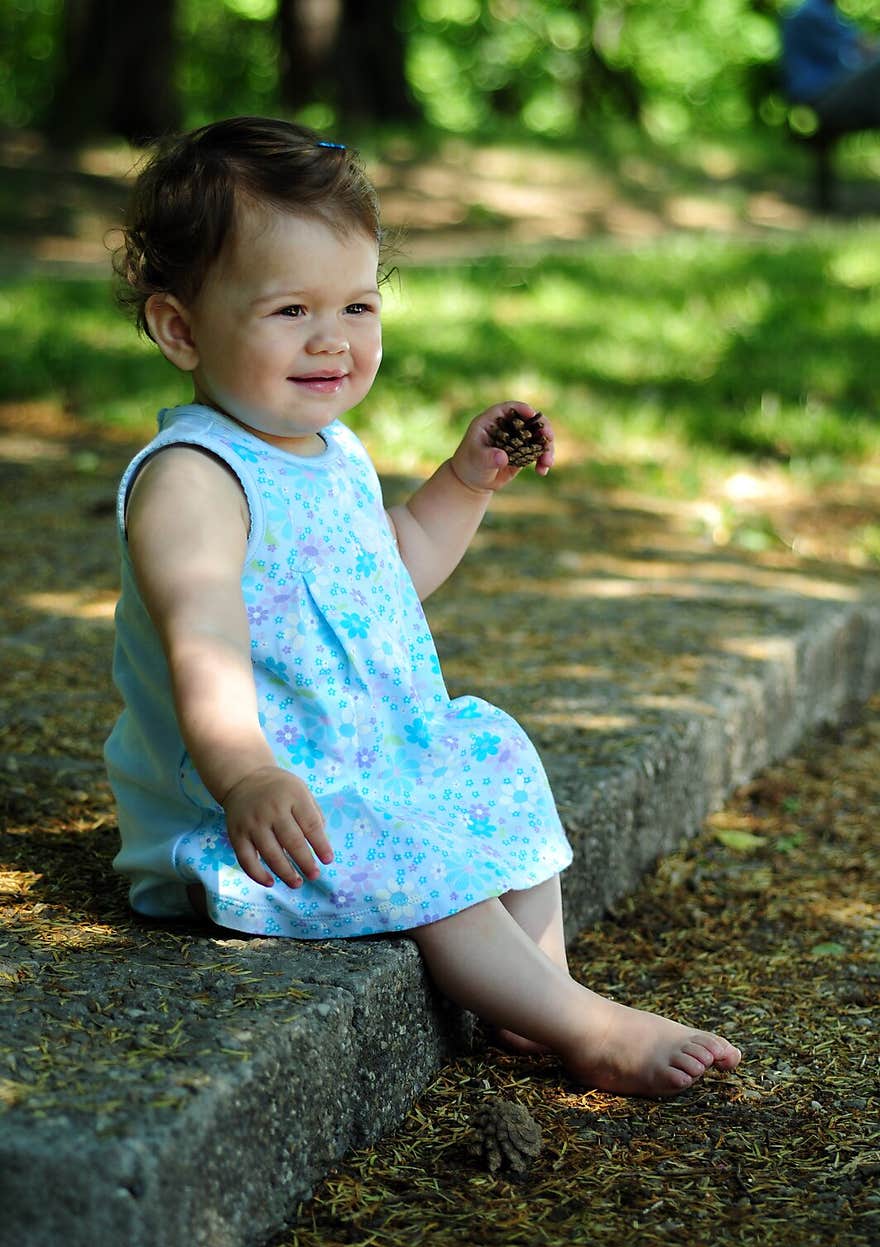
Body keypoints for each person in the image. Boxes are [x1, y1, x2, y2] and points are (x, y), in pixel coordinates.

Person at [104, 115, 741, 1098]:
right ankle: (588, 1028)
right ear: (180, 327)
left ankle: (538, 990)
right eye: (287, 312)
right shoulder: (195, 478)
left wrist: (465, 481)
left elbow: (389, 569)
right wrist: (246, 779)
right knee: (406, 844)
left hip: (369, 759)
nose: (333, 340)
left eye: (357, 306)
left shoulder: (332, 450)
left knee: (492, 755)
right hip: (265, 815)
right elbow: (205, 643)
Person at [781, 0, 880, 132]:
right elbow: (862, 45)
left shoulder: (823, 11)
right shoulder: (812, 12)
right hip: (816, 96)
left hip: (825, 90)